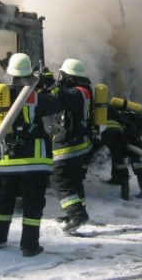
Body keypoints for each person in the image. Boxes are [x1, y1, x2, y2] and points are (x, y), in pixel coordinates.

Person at [0, 53, 59, 257]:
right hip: (34, 161)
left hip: (9, 159)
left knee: (5, 199)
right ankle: (29, 246)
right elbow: (55, 103)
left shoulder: (2, 95)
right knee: (33, 202)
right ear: (29, 73)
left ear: (10, 74)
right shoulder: (35, 96)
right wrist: (48, 83)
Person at [50, 58, 94, 234]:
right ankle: (77, 211)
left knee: (58, 178)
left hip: (71, 145)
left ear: (69, 76)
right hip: (80, 143)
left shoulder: (78, 93)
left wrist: (49, 82)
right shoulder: (82, 91)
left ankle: (77, 215)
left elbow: (57, 97)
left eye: (62, 75)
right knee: (74, 180)